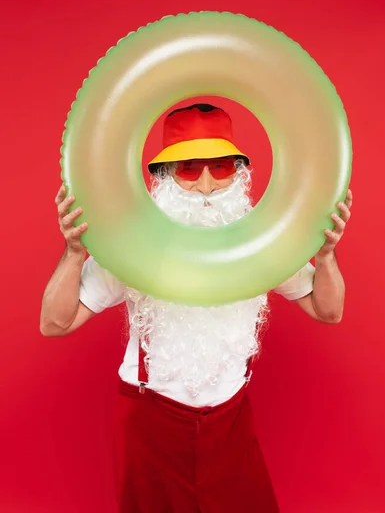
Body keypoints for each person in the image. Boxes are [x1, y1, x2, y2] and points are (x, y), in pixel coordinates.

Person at [40, 103, 352, 513]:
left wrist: (327, 257)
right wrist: (74, 253)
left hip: (231, 424)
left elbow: (328, 310)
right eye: (189, 168)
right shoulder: (133, 246)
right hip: (152, 424)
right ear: (165, 177)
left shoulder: (261, 245)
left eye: (220, 167)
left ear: (239, 174)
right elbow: (55, 323)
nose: (206, 186)